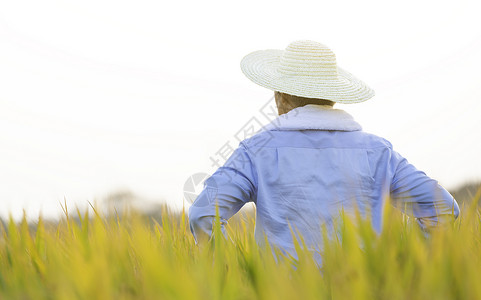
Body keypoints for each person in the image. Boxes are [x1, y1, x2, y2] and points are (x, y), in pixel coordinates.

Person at [188, 40, 460, 266]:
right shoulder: (378, 152)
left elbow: (202, 213)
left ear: (280, 95)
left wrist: (234, 271)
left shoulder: (256, 151)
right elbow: (443, 208)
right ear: (332, 96)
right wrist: (402, 266)